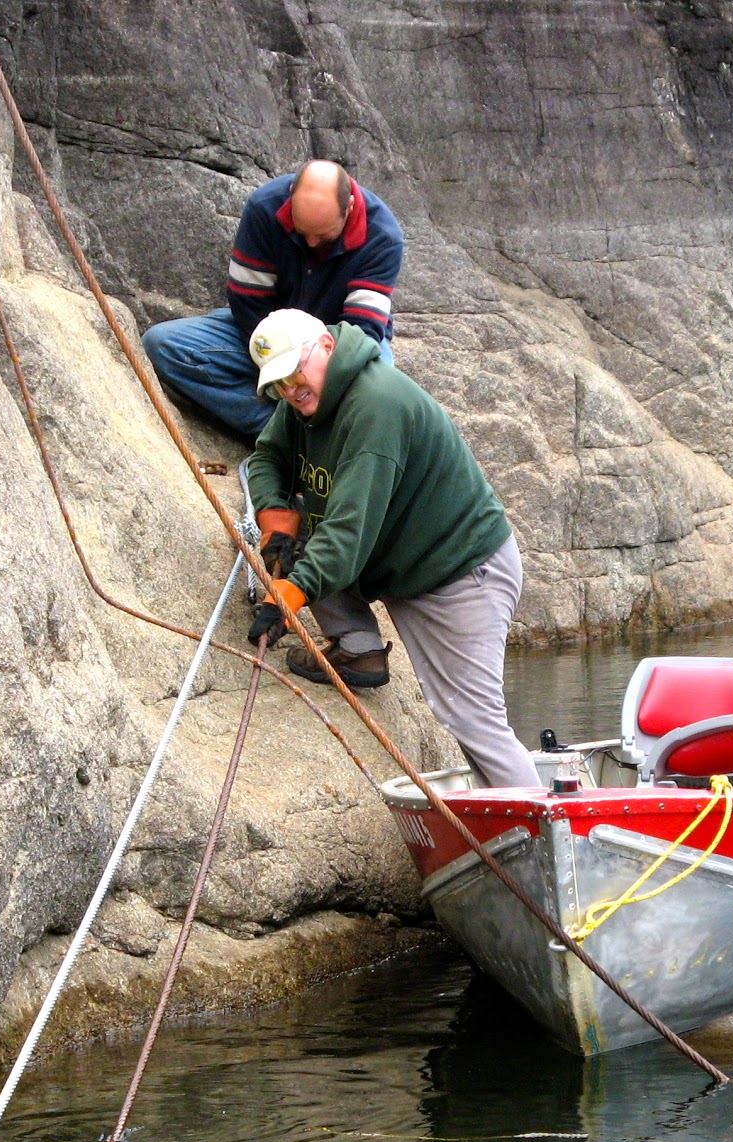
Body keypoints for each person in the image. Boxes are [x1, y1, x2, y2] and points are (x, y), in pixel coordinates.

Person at [242, 308, 541, 790]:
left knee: (472, 721)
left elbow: (348, 532)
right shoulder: (305, 401)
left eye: (295, 374)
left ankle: (543, 843)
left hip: (458, 570)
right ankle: (358, 650)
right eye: (277, 384)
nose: (290, 390)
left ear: (325, 347)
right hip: (392, 554)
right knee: (300, 542)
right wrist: (276, 519)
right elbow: (268, 456)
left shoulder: (377, 405)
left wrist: (289, 597)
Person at [142, 160, 404, 440]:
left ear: (349, 208)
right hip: (269, 331)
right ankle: (282, 438)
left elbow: (361, 332)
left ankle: (314, 432)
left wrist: (311, 372)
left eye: (324, 235)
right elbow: (247, 304)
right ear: (290, 198)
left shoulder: (383, 237)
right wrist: (281, 362)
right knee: (162, 344)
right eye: (304, 233)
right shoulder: (264, 208)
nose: (312, 244)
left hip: (336, 343)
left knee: (378, 394)